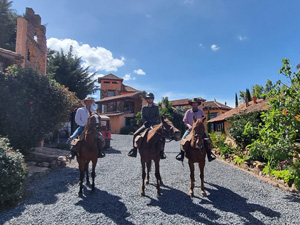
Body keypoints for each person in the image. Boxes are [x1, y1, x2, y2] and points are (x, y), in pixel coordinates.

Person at [175, 97, 216, 162]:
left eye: (195, 103)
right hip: (190, 129)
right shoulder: (188, 112)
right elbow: (185, 121)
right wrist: (189, 126)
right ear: (191, 104)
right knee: (183, 139)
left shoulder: (201, 111)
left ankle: (209, 154)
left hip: (199, 130)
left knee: (208, 139)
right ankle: (181, 155)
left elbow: (203, 120)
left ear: (197, 104)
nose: (194, 105)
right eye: (193, 103)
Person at [128, 92, 166, 159]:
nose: (150, 100)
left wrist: (151, 122)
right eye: (148, 98)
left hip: (154, 125)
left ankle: (162, 152)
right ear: (147, 99)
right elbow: (142, 116)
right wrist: (145, 122)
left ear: (153, 99)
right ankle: (134, 150)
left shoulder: (156, 107)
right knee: (135, 134)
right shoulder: (144, 108)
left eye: (151, 98)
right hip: (146, 125)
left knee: (163, 136)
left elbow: (157, 116)